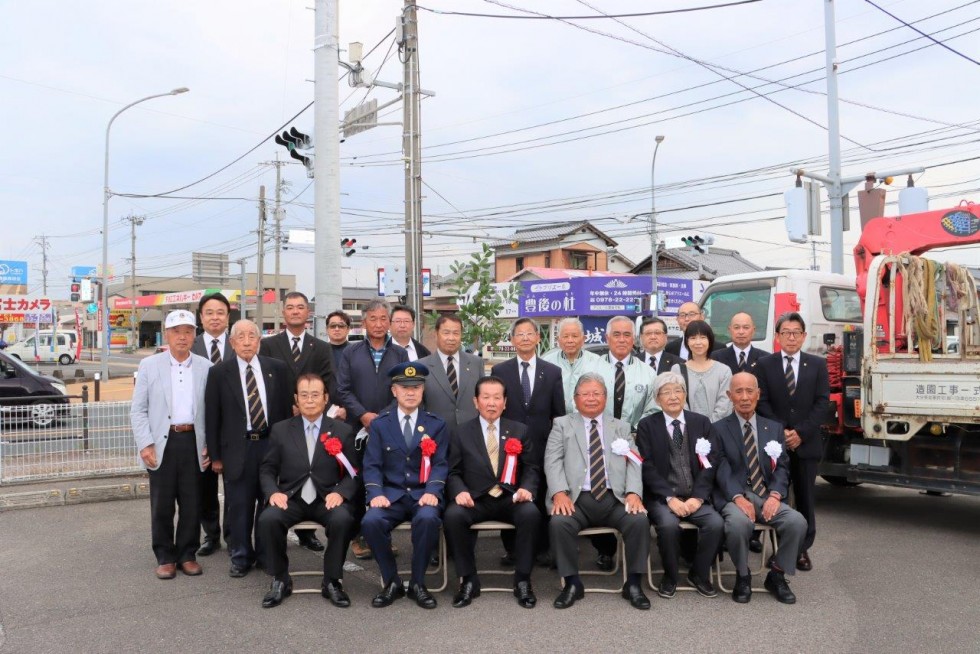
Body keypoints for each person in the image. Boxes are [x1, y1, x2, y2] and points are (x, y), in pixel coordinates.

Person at [545, 373, 651, 610]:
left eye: (597, 394)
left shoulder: (621, 427)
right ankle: (571, 583)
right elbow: (552, 461)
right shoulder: (562, 424)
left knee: (639, 521)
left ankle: (633, 583)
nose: (591, 399)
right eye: (585, 394)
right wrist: (559, 492)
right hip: (576, 498)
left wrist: (634, 493)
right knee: (560, 522)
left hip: (614, 498)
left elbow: (635, 461)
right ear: (575, 398)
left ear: (605, 398)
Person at [256, 373, 358, 609]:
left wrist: (341, 493)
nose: (310, 400)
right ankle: (280, 579)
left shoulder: (342, 431)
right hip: (291, 497)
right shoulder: (281, 430)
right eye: (304, 395)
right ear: (296, 399)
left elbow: (354, 471)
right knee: (268, 519)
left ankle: (332, 580)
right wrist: (273, 492)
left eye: (315, 395)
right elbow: (267, 468)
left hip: (327, 498)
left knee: (342, 518)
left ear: (325, 398)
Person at [444, 376, 541, 609]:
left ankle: (523, 580)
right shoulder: (460, 432)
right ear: (475, 401)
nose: (491, 403)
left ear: (505, 402)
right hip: (475, 498)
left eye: (497, 398)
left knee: (531, 514)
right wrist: (459, 491)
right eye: (485, 397)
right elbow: (452, 470)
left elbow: (531, 467)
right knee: (453, 516)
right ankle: (467, 579)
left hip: (510, 497)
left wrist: (527, 488)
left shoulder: (520, 430)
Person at [711, 372, 807, 604]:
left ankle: (777, 574)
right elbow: (720, 469)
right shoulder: (718, 429)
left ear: (758, 394)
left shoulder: (773, 428)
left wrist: (775, 495)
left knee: (797, 522)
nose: (745, 397)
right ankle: (743, 576)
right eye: (739, 392)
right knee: (738, 523)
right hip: (735, 495)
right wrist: (737, 497)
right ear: (729, 396)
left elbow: (782, 467)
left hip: (766, 495)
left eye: (749, 391)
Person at [205, 319, 291, 578]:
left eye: (251, 336)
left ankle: (266, 555)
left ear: (259, 340)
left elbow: (286, 413)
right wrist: (216, 455)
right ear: (231, 343)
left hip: (269, 446)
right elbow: (213, 417)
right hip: (237, 449)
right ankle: (241, 556)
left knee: (268, 504)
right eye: (240, 337)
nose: (245, 341)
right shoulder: (220, 373)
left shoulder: (278, 368)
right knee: (239, 507)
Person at [361, 362, 449, 610]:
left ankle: (418, 583)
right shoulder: (380, 424)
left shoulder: (436, 424)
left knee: (429, 519)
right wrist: (375, 494)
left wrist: (433, 491)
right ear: (394, 391)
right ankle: (391, 581)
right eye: (404, 387)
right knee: (371, 521)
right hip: (391, 495)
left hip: (423, 494)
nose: (411, 392)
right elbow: (372, 465)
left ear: (423, 390)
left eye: (416, 387)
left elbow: (441, 464)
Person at [132, 309, 211, 580]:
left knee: (192, 502)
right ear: (166, 335)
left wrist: (209, 444)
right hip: (161, 441)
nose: (182, 337)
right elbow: (138, 410)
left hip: (192, 440)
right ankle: (165, 556)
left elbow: (211, 411)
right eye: (176, 331)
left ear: (194, 335)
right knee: (162, 503)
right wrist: (145, 444)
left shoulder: (205, 366)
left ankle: (187, 554)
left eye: (188, 331)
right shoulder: (149, 366)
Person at [259, 291, 340, 553]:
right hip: (279, 421)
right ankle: (273, 533)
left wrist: (310, 407)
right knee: (279, 473)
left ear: (308, 313)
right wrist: (290, 406)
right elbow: (265, 383)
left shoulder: (321, 347)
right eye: (290, 307)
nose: (295, 311)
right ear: (283, 312)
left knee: (309, 469)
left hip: (313, 418)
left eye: (300, 307)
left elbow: (328, 382)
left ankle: (307, 533)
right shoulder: (269, 345)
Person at [635, 371, 723, 599]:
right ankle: (670, 576)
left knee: (715, 523)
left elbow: (711, 462)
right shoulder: (647, 426)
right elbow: (647, 466)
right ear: (657, 399)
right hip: (663, 498)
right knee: (667, 526)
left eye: (678, 390)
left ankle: (699, 573)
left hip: (695, 496)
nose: (673, 396)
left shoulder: (701, 423)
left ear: (685, 394)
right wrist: (669, 498)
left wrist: (698, 497)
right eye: (666, 392)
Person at [755, 312, 830, 573]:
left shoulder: (818, 364)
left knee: (806, 498)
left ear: (804, 336)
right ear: (777, 336)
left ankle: (802, 549)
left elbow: (823, 403)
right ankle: (778, 547)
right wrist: (782, 432)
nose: (791, 337)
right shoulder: (765, 364)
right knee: (777, 496)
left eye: (796, 332)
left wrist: (799, 433)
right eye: (785, 332)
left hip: (806, 443)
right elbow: (761, 402)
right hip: (775, 445)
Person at [334, 299, 408, 560]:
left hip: (390, 428)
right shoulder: (350, 353)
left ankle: (382, 534)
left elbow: (404, 388)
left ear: (389, 322)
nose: (378, 324)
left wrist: (384, 415)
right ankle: (358, 536)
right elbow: (343, 389)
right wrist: (364, 415)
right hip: (356, 430)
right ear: (363, 322)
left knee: (387, 481)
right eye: (373, 319)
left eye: (383, 319)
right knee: (358, 482)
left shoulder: (400, 354)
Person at [490, 318, 564, 565]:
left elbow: (558, 412)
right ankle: (511, 550)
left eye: (529, 333)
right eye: (519, 334)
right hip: (509, 445)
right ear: (512, 340)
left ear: (538, 338)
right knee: (509, 491)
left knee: (540, 493)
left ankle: (542, 549)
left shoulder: (553, 372)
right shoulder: (500, 371)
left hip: (542, 444)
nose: (524, 338)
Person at [190, 292, 233, 557]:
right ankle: (211, 535)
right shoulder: (189, 345)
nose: (215, 317)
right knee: (204, 487)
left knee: (235, 488)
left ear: (228, 317)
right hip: (199, 428)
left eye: (220, 312)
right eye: (209, 312)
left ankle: (233, 536)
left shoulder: (239, 344)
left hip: (233, 429)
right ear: (201, 317)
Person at [419, 314, 481, 436]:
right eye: (446, 333)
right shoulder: (421, 367)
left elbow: (482, 397)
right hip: (435, 435)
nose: (451, 338)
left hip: (471, 435)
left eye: (456, 333)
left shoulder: (476, 363)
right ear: (436, 334)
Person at [541, 317, 613, 417]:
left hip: (587, 419)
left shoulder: (597, 361)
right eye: (565, 336)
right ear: (558, 340)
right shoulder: (547, 362)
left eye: (574, 336)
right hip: (555, 420)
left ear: (583, 339)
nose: (570, 340)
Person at [670, 320, 733, 422]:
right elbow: (678, 401)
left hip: (717, 430)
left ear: (710, 340)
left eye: (703, 337)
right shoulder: (677, 370)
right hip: (688, 429)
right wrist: (693, 426)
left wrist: (708, 426)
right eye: (693, 338)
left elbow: (724, 405)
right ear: (687, 341)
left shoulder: (724, 371)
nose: (698, 342)